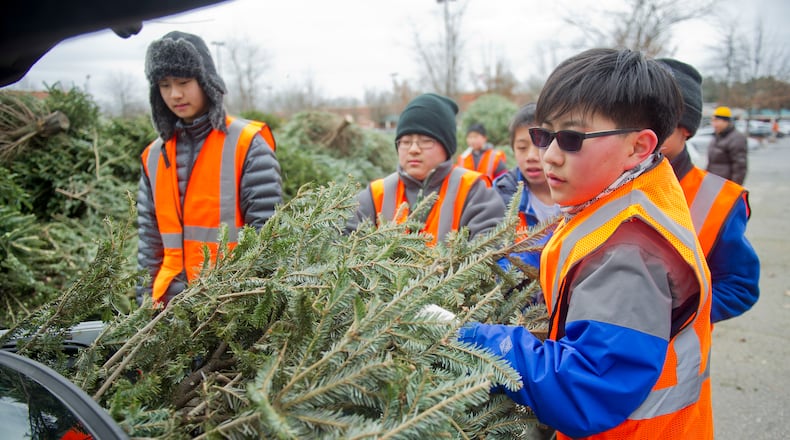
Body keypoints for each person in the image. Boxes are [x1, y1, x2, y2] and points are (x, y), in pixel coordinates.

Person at [458, 48, 713, 439]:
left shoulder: (629, 252)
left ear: (638, 147)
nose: (549, 156)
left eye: (572, 138)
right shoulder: (616, 201)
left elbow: (585, 389)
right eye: (543, 136)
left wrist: (470, 338)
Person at [136, 31, 282, 306]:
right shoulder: (154, 156)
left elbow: (267, 240)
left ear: (206, 81)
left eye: (183, 82)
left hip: (227, 308)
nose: (175, 94)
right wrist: (144, 306)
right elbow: (149, 243)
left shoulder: (247, 144)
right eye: (164, 85)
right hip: (167, 311)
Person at [658, 58, 760, 323]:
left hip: (677, 361)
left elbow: (740, 287)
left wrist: (675, 315)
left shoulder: (720, 200)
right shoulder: (607, 182)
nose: (644, 132)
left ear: (686, 130)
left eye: (659, 121)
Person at [346, 93, 505, 246]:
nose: (413, 149)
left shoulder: (474, 190)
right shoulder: (376, 194)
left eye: (425, 141)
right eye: (406, 141)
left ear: (446, 147)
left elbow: (491, 247)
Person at [706, 105, 748, 184]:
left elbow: (740, 168)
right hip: (713, 184)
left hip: (725, 185)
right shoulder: (716, 137)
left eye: (716, 121)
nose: (713, 124)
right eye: (712, 121)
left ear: (726, 121)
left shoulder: (737, 138)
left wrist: (734, 189)